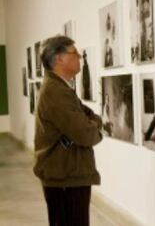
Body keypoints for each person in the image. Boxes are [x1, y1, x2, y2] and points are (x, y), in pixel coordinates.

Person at [33, 35, 103, 226]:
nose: (79, 57)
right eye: (75, 53)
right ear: (59, 58)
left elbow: (89, 114)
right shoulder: (56, 91)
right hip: (65, 178)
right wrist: (96, 125)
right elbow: (86, 134)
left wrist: (93, 122)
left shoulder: (60, 87)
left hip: (66, 174)